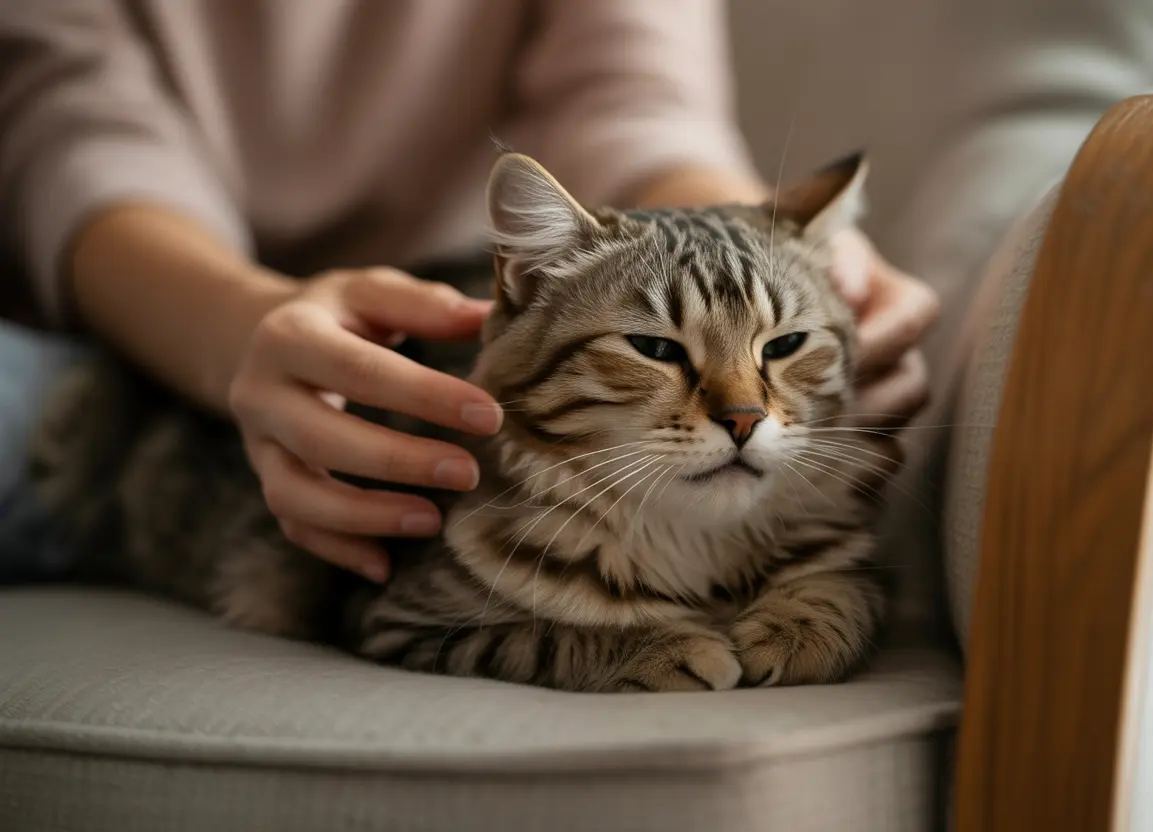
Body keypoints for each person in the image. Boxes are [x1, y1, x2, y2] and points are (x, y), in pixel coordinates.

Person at [0, 1, 938, 585]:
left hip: (513, 308)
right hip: (125, 325)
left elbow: (633, 99)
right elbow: (71, 126)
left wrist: (769, 262)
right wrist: (239, 328)